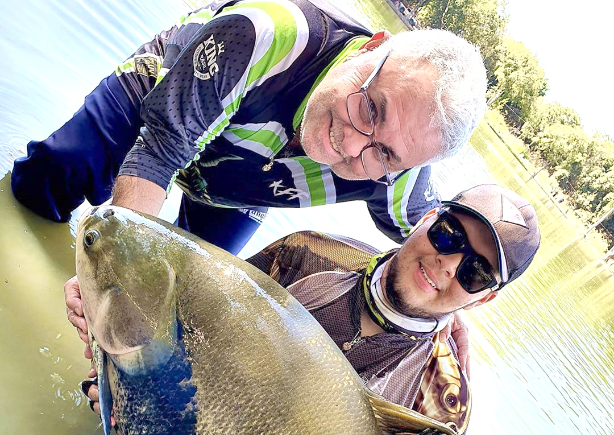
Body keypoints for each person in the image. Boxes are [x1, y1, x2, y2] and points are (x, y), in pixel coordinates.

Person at [74, 183, 541, 435]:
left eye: (475, 271)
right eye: (449, 234)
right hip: (188, 424)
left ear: (485, 298)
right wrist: (111, 365)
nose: (447, 264)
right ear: (429, 216)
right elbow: (183, 325)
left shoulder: (445, 399)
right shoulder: (307, 252)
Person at [12, 0, 487, 256]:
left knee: (190, 311)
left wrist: (451, 316)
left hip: (242, 186)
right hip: (163, 99)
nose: (352, 143)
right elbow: (160, 150)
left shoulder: (402, 172)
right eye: (370, 109)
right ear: (370, 48)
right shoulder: (267, 32)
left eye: (383, 154)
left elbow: (434, 253)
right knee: (55, 172)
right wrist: (118, 273)